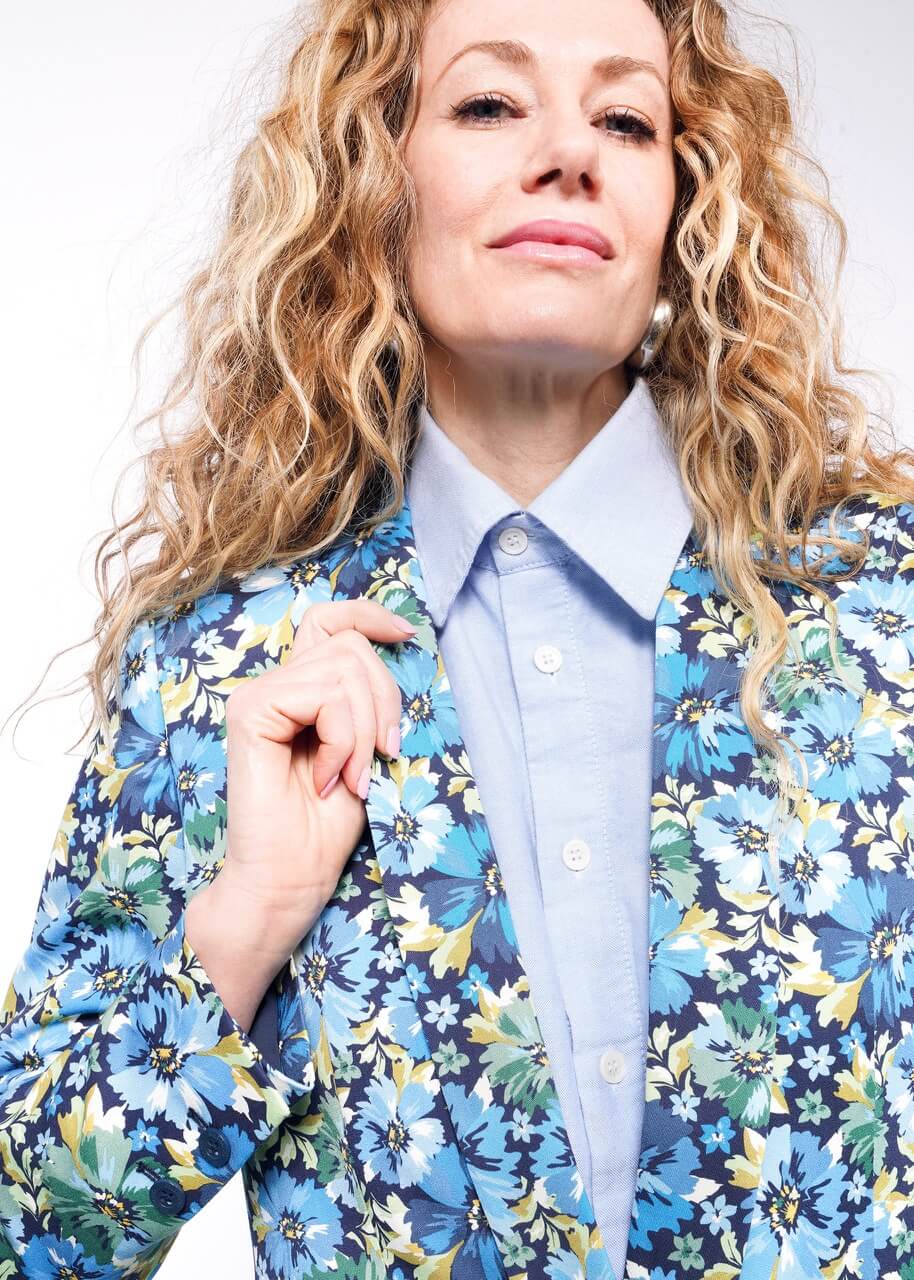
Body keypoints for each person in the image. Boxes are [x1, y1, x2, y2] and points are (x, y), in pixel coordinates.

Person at [2, 0, 913, 1276]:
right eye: (489, 104)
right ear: (375, 175)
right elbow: (27, 1229)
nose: (568, 152)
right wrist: (249, 919)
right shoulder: (222, 666)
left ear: (682, 198)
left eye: (624, 117)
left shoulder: (882, 616)